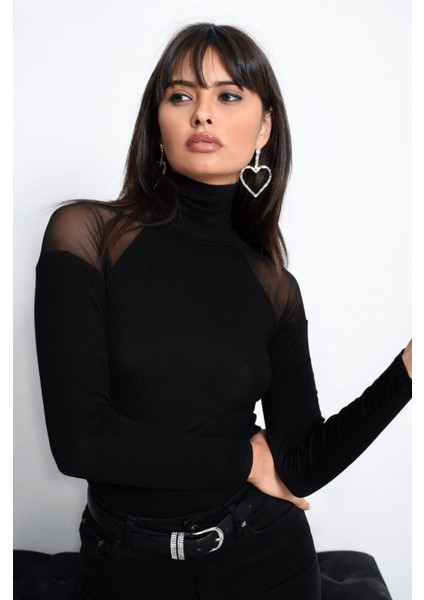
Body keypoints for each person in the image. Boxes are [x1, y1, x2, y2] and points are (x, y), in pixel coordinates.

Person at [34, 22, 412, 600]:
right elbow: (81, 443)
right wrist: (244, 461)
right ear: (157, 122)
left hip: (266, 559)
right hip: (126, 568)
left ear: (263, 128)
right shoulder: (87, 236)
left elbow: (299, 464)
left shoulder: (274, 287)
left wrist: (406, 373)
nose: (203, 114)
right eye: (181, 95)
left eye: (228, 95)